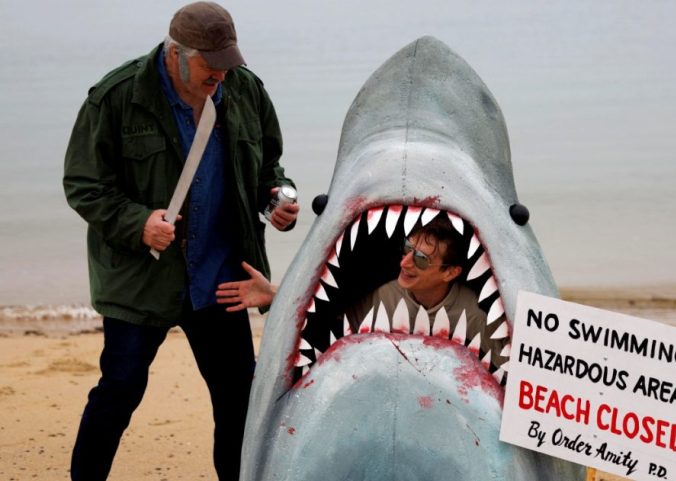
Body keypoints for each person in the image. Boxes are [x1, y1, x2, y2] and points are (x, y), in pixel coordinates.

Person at [62, 2, 298, 480]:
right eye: (211, 69)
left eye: (228, 67)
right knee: (120, 390)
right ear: (176, 54)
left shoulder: (245, 90)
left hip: (220, 275)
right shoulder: (115, 97)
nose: (220, 79)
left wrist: (277, 199)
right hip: (141, 278)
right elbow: (83, 185)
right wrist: (137, 222)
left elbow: (267, 166)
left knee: (238, 400)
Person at [217, 216, 506, 367]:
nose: (405, 262)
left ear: (450, 272)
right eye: (407, 249)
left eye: (420, 258)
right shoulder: (385, 297)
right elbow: (325, 323)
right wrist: (276, 296)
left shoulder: (475, 315)